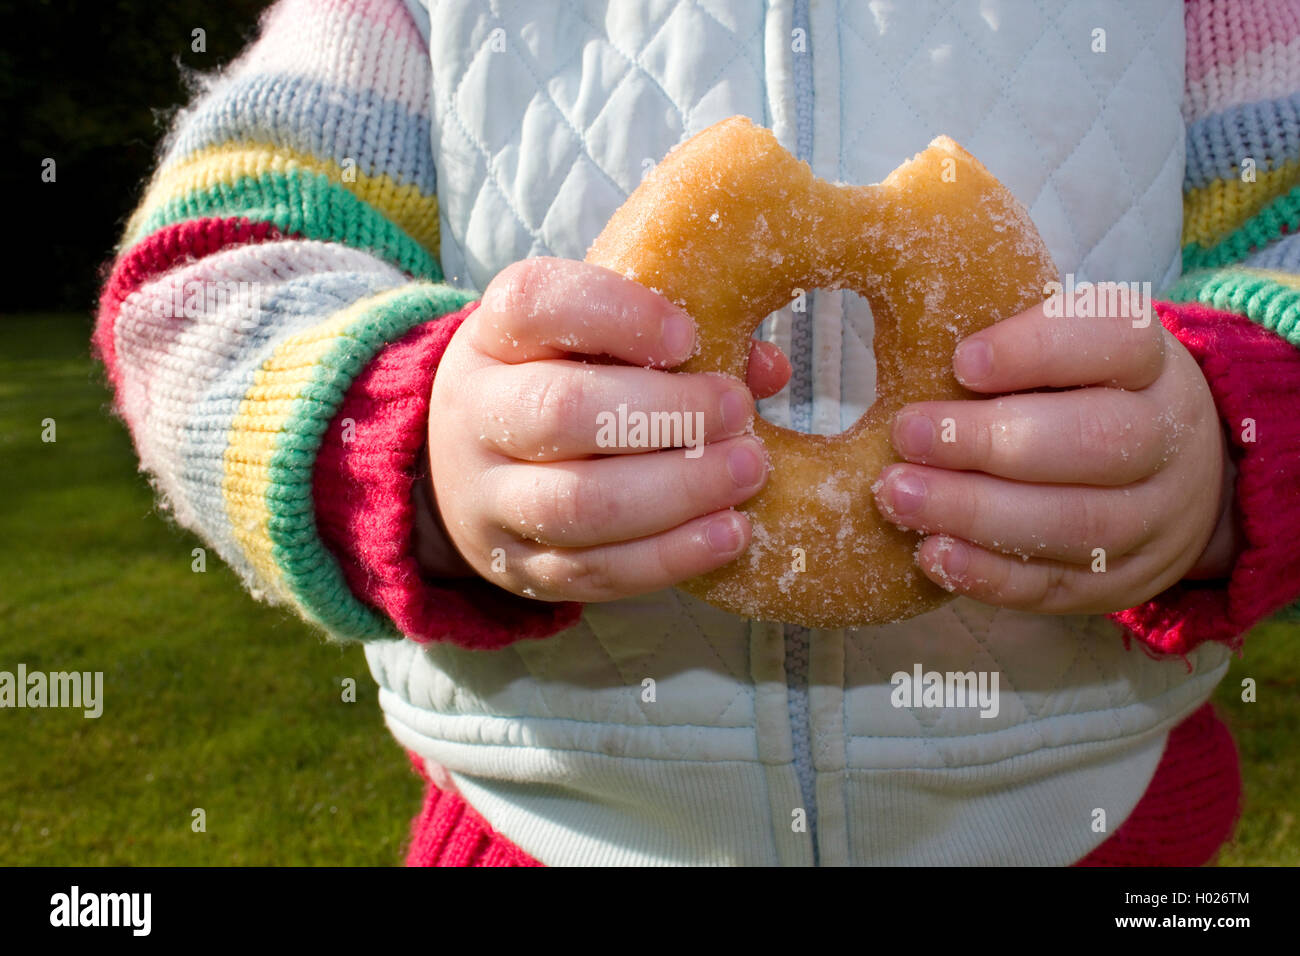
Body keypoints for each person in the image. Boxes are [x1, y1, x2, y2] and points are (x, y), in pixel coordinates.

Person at [95, 0, 1300, 865]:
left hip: (1092, 817)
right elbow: (205, 283)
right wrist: (404, 445)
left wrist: (1237, 441)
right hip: (548, 826)